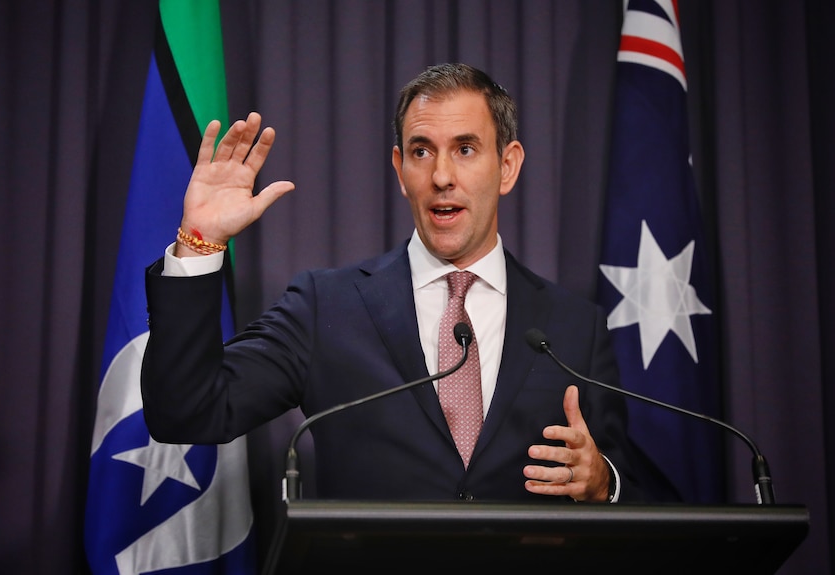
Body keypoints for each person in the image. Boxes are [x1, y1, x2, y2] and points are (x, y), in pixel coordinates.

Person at [141, 62, 650, 503]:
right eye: (422, 151)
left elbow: (625, 481)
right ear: (400, 169)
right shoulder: (327, 307)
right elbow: (186, 413)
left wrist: (602, 481)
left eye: (466, 149)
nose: (442, 176)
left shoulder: (574, 327)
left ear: (508, 167)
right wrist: (199, 243)